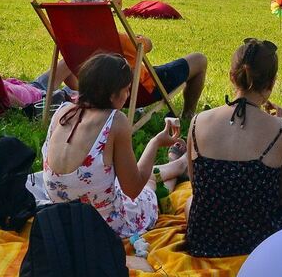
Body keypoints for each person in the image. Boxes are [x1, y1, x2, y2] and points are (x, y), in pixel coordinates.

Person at [184, 38, 282, 258]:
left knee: (190, 202)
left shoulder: (197, 121)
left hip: (206, 240)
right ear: (272, 82)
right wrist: (281, 126)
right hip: (264, 243)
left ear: (232, 76)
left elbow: (196, 187)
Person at [42, 52, 182, 238]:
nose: (128, 95)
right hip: (103, 225)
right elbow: (133, 189)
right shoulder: (115, 121)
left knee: (128, 179)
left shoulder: (62, 112)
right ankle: (180, 166)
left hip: (62, 220)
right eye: (126, 89)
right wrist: (155, 143)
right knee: (149, 189)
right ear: (111, 94)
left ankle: (176, 165)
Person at [43, 0, 207, 121]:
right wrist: (140, 39)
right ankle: (187, 115)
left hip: (97, 92)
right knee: (199, 59)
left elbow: (72, 83)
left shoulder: (72, 44)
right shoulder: (120, 41)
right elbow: (148, 45)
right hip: (139, 90)